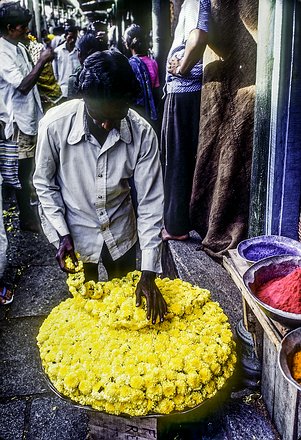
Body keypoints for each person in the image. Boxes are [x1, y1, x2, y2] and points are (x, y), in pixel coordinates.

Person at [33, 50, 167, 324]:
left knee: (130, 301)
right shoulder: (54, 126)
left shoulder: (143, 135)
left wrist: (149, 272)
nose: (106, 124)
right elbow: (44, 184)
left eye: (115, 116)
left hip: (121, 230)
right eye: (98, 116)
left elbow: (151, 203)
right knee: (87, 309)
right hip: (76, 231)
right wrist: (61, 233)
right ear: (83, 100)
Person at [0, 1, 54, 232]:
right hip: (18, 122)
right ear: (11, 27)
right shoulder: (2, 52)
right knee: (22, 173)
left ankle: (31, 213)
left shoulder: (19, 46)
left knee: (30, 169)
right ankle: (27, 218)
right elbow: (22, 86)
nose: (27, 31)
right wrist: (42, 60)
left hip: (30, 117)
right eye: (23, 27)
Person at [160, 0, 211, 241]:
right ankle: (179, 221)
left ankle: (176, 226)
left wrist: (181, 68)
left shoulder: (194, 2)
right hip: (187, 93)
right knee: (181, 157)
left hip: (183, 92)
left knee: (176, 158)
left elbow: (198, 38)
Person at [123, 24, 158, 123]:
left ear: (127, 44)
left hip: (136, 112)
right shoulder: (153, 62)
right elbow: (155, 88)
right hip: (152, 111)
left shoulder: (129, 65)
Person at [67, 32, 104, 99]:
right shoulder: (109, 73)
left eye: (79, 51)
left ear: (80, 54)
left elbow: (72, 106)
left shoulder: (75, 79)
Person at [52, 25, 81, 98]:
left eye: (74, 38)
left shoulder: (79, 52)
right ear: (65, 37)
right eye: (70, 38)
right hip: (62, 89)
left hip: (76, 90)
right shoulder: (57, 51)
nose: (72, 40)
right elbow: (54, 72)